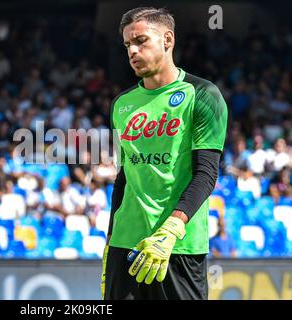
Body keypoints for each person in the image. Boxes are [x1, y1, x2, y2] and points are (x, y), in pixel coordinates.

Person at [102, 7, 228, 300]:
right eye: (127, 45)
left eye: (141, 41)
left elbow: (206, 174)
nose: (132, 50)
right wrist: (110, 243)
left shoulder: (203, 95)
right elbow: (124, 177)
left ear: (167, 40)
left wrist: (173, 227)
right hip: (125, 246)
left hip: (177, 246)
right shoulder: (122, 104)